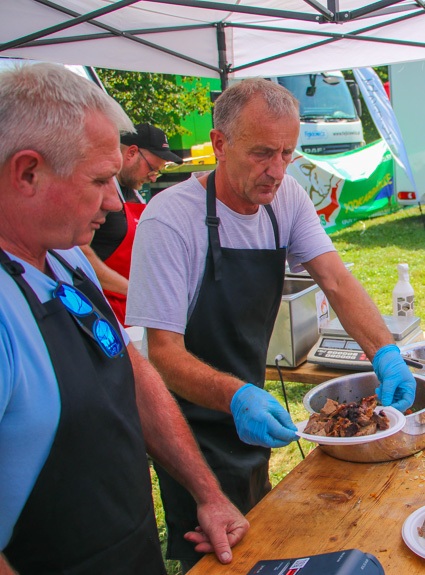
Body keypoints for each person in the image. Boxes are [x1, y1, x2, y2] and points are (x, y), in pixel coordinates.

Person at [125, 78, 416, 571]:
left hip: (254, 415)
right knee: (220, 562)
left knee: (260, 541)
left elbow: (336, 281)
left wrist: (386, 354)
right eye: (263, 153)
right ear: (219, 144)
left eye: (287, 153)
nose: (277, 171)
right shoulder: (169, 220)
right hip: (190, 430)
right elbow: (163, 354)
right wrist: (235, 396)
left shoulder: (286, 199)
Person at [0, 63, 248, 574]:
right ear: (28, 173)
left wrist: (206, 491)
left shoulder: (66, 255)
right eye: (99, 180)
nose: (116, 201)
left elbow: (129, 371)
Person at [80, 123, 183, 326]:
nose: (154, 176)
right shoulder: (99, 195)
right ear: (132, 153)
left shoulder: (136, 195)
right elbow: (81, 255)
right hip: (102, 312)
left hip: (133, 310)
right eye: (152, 168)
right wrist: (135, 291)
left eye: (159, 171)